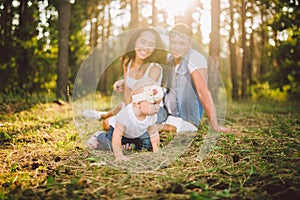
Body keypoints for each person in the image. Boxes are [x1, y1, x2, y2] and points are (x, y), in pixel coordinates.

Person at [82, 27, 167, 127]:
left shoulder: (155, 68)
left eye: (151, 44)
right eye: (143, 41)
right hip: (135, 107)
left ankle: (168, 125)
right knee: (119, 109)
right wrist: (128, 110)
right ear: (135, 41)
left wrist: (130, 113)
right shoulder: (128, 62)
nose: (146, 47)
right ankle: (101, 115)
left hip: (152, 111)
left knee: (109, 124)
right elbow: (127, 91)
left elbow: (144, 97)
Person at [161, 23, 229, 132]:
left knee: (188, 128)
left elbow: (203, 93)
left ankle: (156, 127)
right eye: (173, 42)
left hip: (184, 119)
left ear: (190, 43)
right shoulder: (169, 59)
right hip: (166, 114)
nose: (176, 47)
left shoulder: (195, 58)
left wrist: (215, 125)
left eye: (182, 43)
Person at [86, 79, 163, 161]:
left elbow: (153, 133)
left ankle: (129, 145)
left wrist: (156, 150)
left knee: (147, 144)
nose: (157, 108)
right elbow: (117, 135)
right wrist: (119, 155)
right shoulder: (125, 115)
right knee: (111, 145)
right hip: (118, 132)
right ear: (138, 103)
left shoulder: (151, 115)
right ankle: (99, 137)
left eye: (158, 103)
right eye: (153, 104)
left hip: (134, 134)